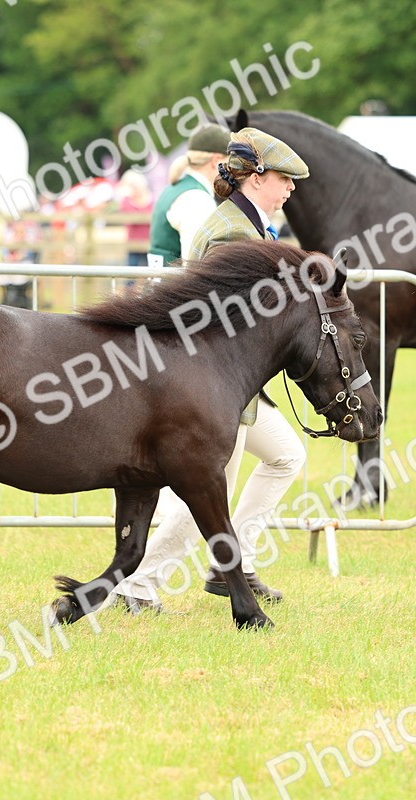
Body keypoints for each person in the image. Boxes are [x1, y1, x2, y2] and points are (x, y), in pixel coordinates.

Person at [113, 127, 310, 613]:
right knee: (202, 496)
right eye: (284, 178)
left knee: (286, 455)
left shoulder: (249, 225)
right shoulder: (231, 232)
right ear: (256, 178)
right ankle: (137, 586)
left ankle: (231, 566)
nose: (291, 187)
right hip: (215, 386)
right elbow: (232, 322)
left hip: (233, 384)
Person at [146, 124, 229, 268]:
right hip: (174, 281)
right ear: (216, 161)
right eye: (229, 161)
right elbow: (195, 263)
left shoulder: (177, 188)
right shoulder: (197, 198)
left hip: (162, 280)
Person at [116, 169, 152, 269]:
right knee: (131, 269)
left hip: (149, 243)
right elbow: (126, 217)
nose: (134, 189)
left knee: (149, 270)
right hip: (133, 243)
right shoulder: (126, 202)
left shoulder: (150, 200)